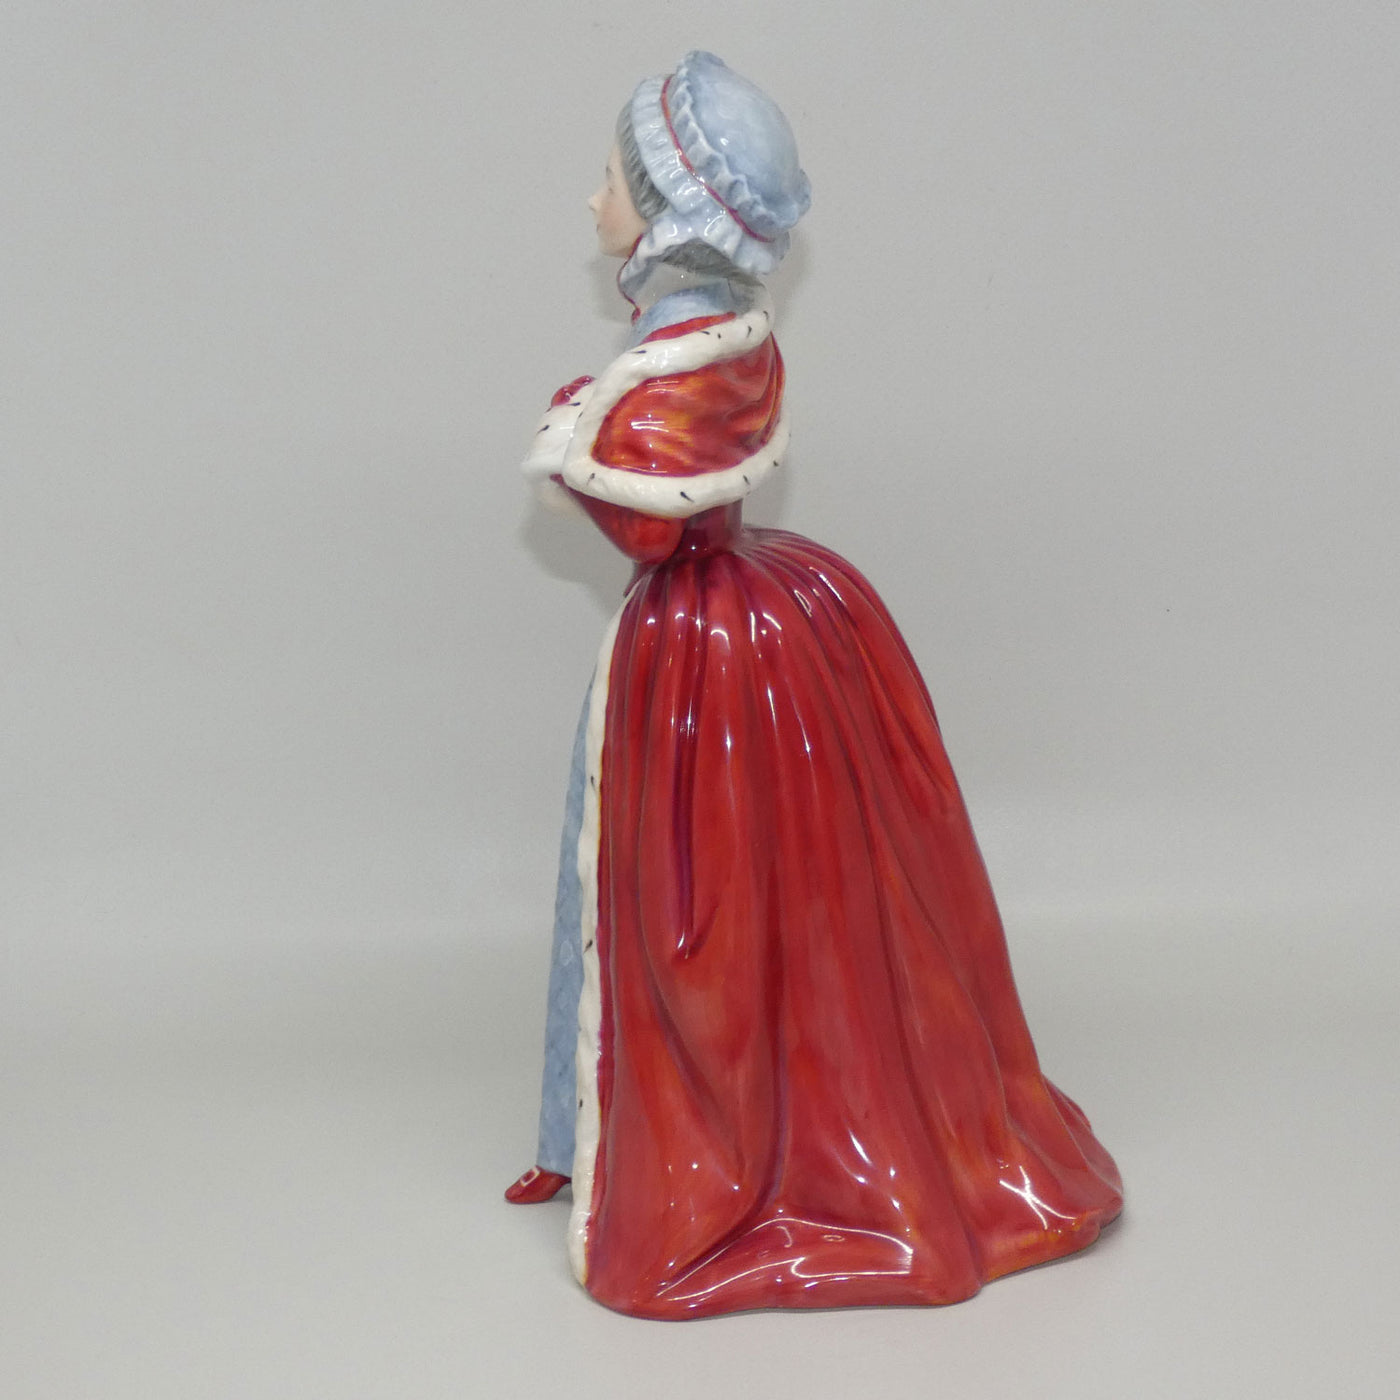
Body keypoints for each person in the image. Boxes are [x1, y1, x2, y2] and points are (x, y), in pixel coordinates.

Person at [507, 51, 1122, 1320]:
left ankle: (731, 1143)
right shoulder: (721, 334)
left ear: (667, 209)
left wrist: (570, 436)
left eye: (609, 177)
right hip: (766, 617)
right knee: (769, 881)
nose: (591, 201)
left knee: (696, 890)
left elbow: (648, 525)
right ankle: (683, 1114)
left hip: (703, 646)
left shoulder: (672, 357)